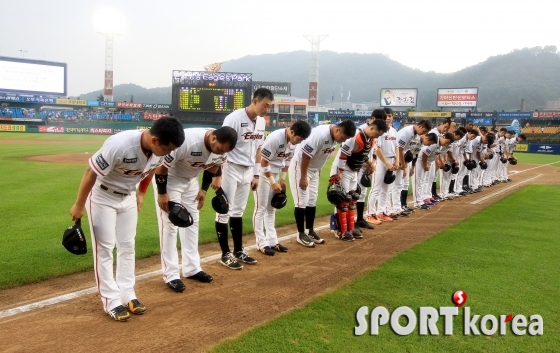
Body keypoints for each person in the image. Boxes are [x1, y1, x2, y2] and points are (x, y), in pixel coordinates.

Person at [69, 117, 185, 322]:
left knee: (127, 246)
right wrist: (79, 204)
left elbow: (151, 170)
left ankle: (127, 293)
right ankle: (111, 300)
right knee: (105, 248)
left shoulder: (158, 152)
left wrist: (141, 192)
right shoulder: (120, 145)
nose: (168, 154)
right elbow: (90, 172)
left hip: (128, 197)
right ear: (155, 140)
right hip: (102, 197)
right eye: (167, 149)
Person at [153, 126, 238, 292]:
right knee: (170, 226)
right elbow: (161, 167)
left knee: (193, 221)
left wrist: (204, 190)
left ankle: (192, 268)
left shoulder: (222, 150)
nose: (221, 153)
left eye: (224, 152)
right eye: (220, 149)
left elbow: (213, 167)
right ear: (213, 138)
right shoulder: (187, 141)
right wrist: (162, 193)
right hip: (170, 180)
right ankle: (171, 275)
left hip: (191, 181)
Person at [215, 88, 271, 270]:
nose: (266, 109)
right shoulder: (234, 118)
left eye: (269, 106)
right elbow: (223, 146)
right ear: (255, 101)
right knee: (224, 210)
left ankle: (239, 250)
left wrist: (256, 174)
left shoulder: (261, 122)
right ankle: (225, 254)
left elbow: (258, 149)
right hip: (230, 167)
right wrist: (219, 173)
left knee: (238, 211)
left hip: (247, 170)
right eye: (265, 105)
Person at [289, 120, 356, 247]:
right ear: (337, 130)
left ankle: (309, 230)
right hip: (301, 167)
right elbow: (305, 156)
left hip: (314, 170)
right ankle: (301, 233)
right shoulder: (320, 134)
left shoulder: (335, 137)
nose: (343, 140)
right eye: (343, 137)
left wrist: (319, 171)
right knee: (301, 200)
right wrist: (303, 177)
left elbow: (322, 156)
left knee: (312, 200)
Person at [254, 121, 312, 255]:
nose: (299, 142)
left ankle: (273, 241)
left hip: (275, 173)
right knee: (260, 208)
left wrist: (283, 178)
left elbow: (287, 160)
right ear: (292, 132)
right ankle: (261, 243)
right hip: (263, 173)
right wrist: (272, 182)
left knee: (271, 209)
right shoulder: (275, 138)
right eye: (299, 138)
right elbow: (264, 162)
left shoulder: (292, 142)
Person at [330, 118, 388, 240]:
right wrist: (339, 173)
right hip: (343, 169)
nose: (376, 136)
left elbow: (362, 154)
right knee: (342, 200)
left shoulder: (369, 138)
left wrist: (369, 164)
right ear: (372, 128)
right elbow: (343, 154)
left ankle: (350, 227)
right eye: (377, 134)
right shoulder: (355, 135)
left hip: (353, 170)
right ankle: (340, 230)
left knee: (352, 199)